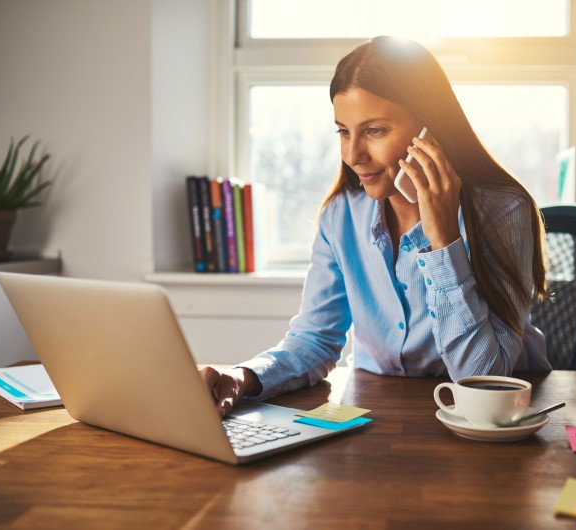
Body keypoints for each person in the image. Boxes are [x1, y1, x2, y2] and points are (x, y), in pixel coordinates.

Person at [201, 36, 551, 417]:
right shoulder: (341, 216)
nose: (353, 155)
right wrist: (242, 376)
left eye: (375, 131)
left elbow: (483, 379)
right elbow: (315, 339)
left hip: (493, 425)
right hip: (375, 416)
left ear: (429, 130)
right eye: (343, 131)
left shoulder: (502, 212)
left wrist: (443, 240)